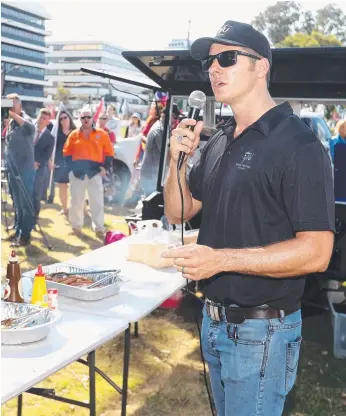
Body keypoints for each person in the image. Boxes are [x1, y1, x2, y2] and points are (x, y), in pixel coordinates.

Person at [162, 21, 335, 416]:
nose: (214, 70)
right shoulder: (222, 138)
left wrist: (221, 259)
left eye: (227, 58)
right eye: (210, 62)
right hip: (215, 321)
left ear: (262, 67)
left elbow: (317, 252)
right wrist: (176, 160)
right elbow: (178, 211)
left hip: (263, 331)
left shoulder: (299, 145)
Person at [63, 106, 114, 239]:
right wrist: (72, 169)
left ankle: (99, 228)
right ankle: (76, 227)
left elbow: (109, 153)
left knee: (97, 201)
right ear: (80, 119)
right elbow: (66, 153)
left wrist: (105, 167)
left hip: (95, 172)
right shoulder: (73, 134)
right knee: (76, 202)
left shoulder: (102, 134)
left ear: (92, 119)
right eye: (83, 117)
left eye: (88, 117)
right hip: (77, 173)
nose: (86, 119)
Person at [5, 93, 36, 246]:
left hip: (25, 170)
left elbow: (30, 129)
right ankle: (17, 231)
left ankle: (25, 236)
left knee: (25, 204)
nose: (9, 107)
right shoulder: (11, 124)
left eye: (12, 104)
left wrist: (11, 114)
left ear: (20, 106)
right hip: (13, 169)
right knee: (16, 203)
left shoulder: (27, 120)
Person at [33, 108, 54, 219]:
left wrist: (37, 163)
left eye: (45, 118)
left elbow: (47, 156)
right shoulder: (30, 131)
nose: (42, 120)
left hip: (39, 169)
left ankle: (35, 217)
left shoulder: (50, 138)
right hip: (26, 166)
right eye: (41, 117)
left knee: (36, 194)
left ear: (48, 122)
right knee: (24, 192)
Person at [133, 102, 164, 168]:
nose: (149, 111)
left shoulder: (162, 123)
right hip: (147, 152)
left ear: (156, 111)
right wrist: (137, 157)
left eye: (151, 109)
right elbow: (142, 136)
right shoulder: (150, 120)